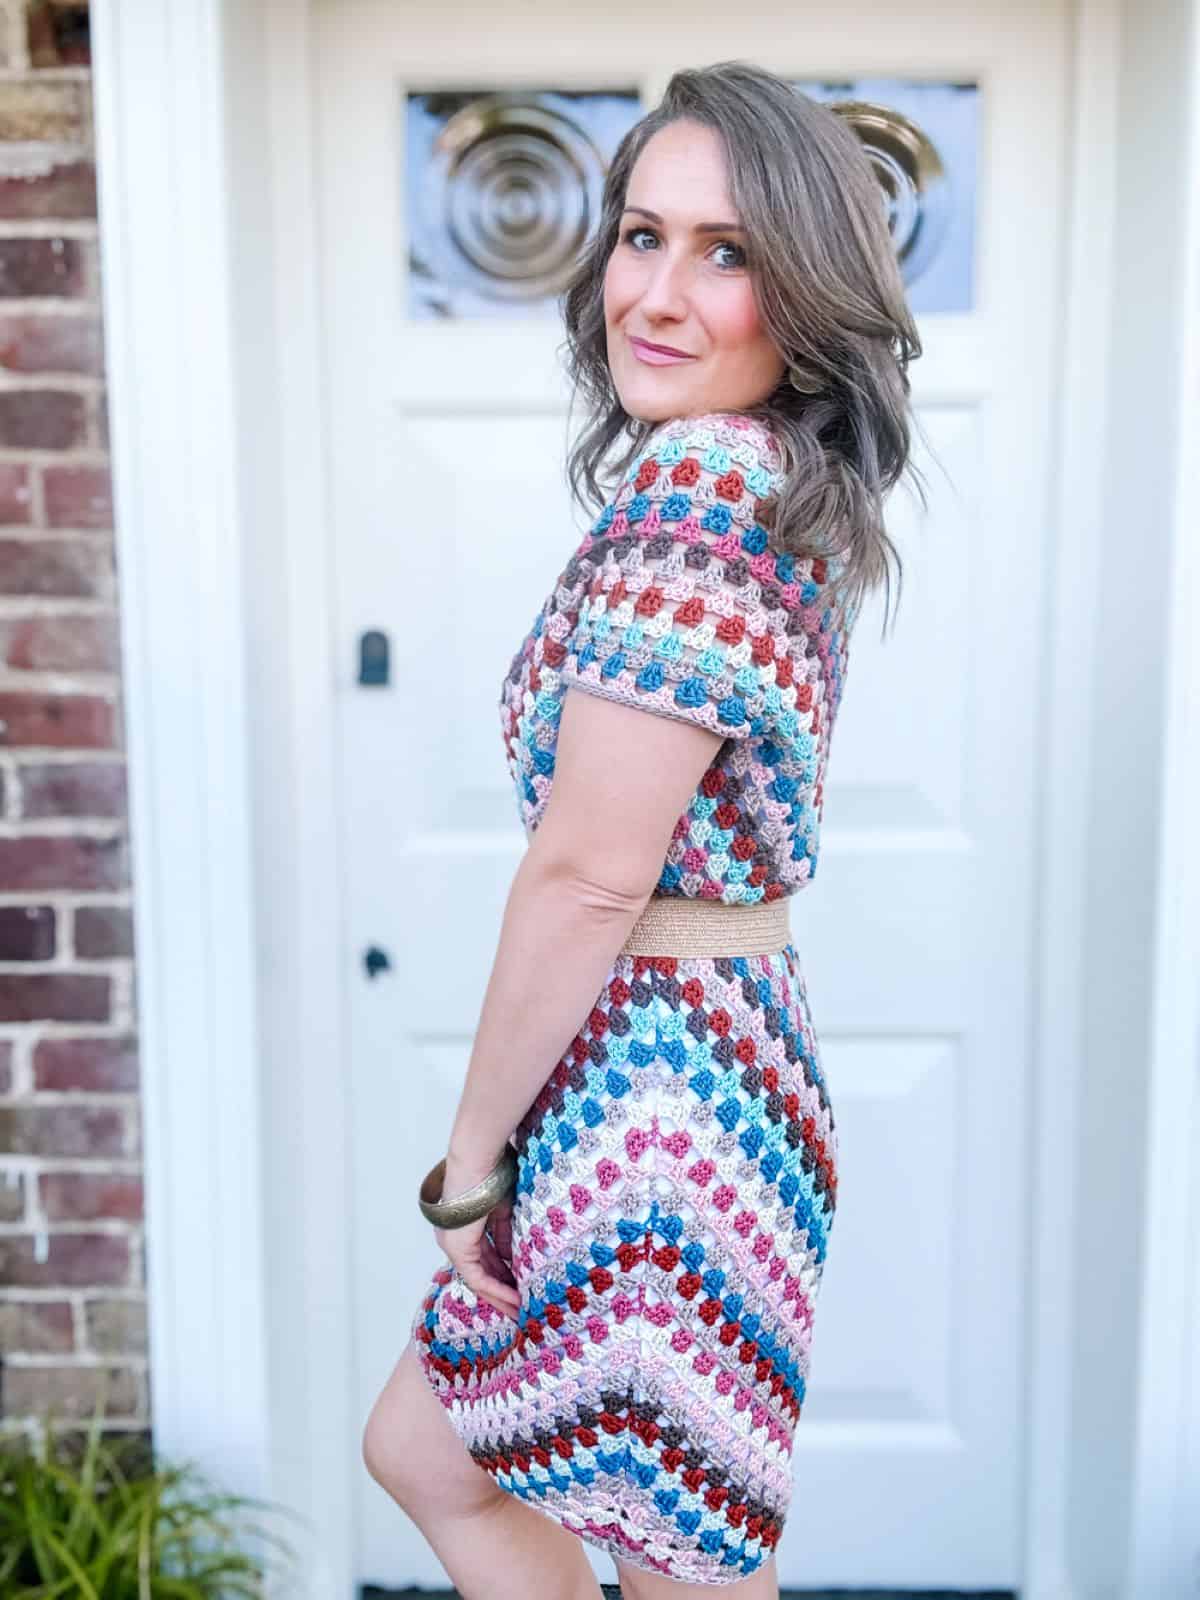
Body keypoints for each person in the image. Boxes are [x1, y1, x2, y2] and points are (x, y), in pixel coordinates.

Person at [362, 58, 922, 1600]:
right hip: (689, 1068)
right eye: (640, 234)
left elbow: (595, 874)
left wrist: (471, 1161)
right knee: (450, 1459)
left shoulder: (700, 489)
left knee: (675, 1559)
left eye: (728, 252)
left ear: (804, 295)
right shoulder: (767, 481)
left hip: (662, 1105)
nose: (660, 292)